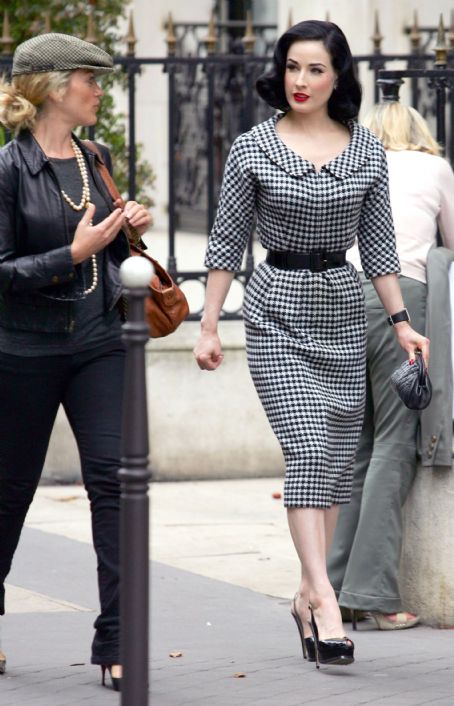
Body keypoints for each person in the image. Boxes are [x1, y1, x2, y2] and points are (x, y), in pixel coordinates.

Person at [193, 19, 429, 668]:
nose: (300, 81)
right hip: (274, 307)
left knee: (331, 465)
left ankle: (304, 591)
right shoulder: (252, 148)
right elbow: (225, 243)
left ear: (337, 77)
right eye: (292, 67)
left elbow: (380, 250)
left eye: (315, 70)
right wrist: (209, 324)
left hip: (342, 310)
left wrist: (402, 323)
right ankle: (325, 597)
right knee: (308, 444)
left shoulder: (365, 153)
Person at [0, 33, 152, 689]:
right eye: (90, 78)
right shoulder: (7, 169)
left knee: (116, 488)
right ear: (56, 87)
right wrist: (74, 251)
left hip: (98, 344)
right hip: (22, 350)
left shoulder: (97, 156)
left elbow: (111, 259)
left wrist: (126, 232)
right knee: (7, 497)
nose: (99, 88)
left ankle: (118, 641)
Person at [327, 100, 454, 630]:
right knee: (395, 442)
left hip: (338, 297)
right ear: (419, 131)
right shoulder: (433, 167)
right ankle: (375, 596)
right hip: (400, 295)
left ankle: (334, 590)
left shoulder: (350, 161)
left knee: (358, 446)